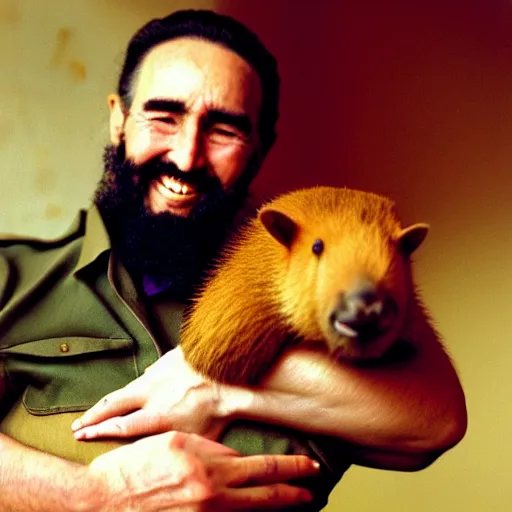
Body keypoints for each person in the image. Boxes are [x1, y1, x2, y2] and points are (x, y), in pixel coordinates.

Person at [0, 9, 467, 512]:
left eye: (224, 130)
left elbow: (435, 420)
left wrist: (215, 387)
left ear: (260, 149)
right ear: (119, 119)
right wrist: (95, 497)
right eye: (164, 117)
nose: (187, 156)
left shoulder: (309, 293)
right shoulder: (13, 278)